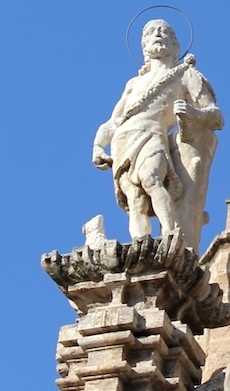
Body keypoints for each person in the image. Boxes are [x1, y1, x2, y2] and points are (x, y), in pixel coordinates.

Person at [92, 19, 223, 247]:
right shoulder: (134, 83)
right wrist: (97, 146)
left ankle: (172, 237)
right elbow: (113, 122)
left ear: (175, 45)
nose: (157, 34)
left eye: (164, 31)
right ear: (144, 45)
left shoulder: (186, 75)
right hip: (123, 140)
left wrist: (193, 113)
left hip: (152, 134)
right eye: (151, 32)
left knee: (151, 179)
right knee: (135, 199)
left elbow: (216, 117)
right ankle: (141, 244)